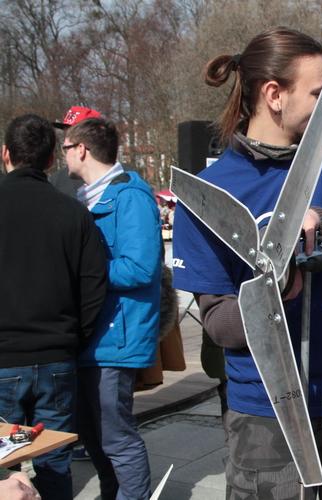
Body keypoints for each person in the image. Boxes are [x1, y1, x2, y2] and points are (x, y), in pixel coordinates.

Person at [171, 27, 322, 499]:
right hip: (265, 410)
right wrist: (273, 287)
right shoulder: (209, 192)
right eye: (318, 95)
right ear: (274, 95)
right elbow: (217, 322)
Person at [0, 114, 107, 500]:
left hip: (9, 358)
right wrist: (74, 335)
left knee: (4, 464)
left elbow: (93, 283)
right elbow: (94, 285)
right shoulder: (73, 212)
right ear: (50, 160)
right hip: (57, 357)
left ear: (5, 154)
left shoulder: (73, 212)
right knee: (54, 461)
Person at [63, 117, 161, 500]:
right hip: (95, 338)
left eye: (66, 148)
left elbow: (140, 267)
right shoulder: (87, 197)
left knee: (116, 437)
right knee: (94, 436)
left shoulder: (130, 197)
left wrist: (83, 271)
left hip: (116, 340)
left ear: (81, 150)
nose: (62, 155)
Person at [49, 106, 102, 198]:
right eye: (66, 134)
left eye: (72, 135)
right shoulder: (56, 182)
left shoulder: (121, 180)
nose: (65, 142)